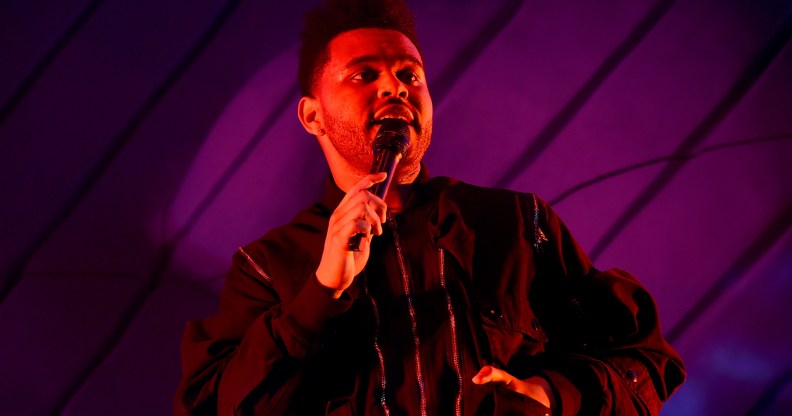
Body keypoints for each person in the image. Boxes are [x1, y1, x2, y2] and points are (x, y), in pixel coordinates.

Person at [174, 0, 685, 414]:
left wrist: (553, 396)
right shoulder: (268, 267)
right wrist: (321, 291)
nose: (395, 86)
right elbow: (221, 405)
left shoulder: (516, 226)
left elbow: (644, 358)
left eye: (409, 75)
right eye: (364, 75)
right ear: (313, 116)